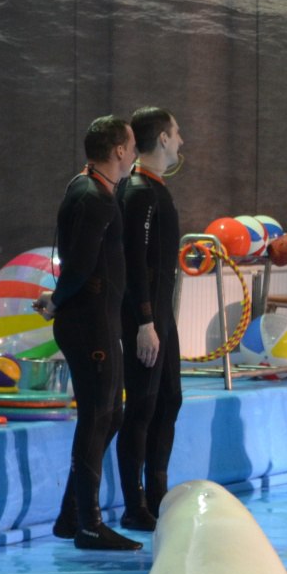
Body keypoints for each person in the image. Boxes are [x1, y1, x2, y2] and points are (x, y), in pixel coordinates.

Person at [34, 115, 142, 551]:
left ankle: (72, 515)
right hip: (89, 322)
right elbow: (78, 264)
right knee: (98, 416)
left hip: (96, 319)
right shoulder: (94, 196)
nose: (134, 152)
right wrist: (58, 300)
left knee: (109, 415)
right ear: (118, 151)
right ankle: (88, 524)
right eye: (131, 146)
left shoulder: (89, 187)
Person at [115, 107, 185, 531]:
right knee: (141, 406)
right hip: (145, 317)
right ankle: (133, 503)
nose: (181, 141)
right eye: (176, 133)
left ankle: (158, 494)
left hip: (162, 316)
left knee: (168, 400)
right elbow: (134, 262)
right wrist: (144, 321)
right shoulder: (139, 190)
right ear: (161, 138)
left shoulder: (157, 188)